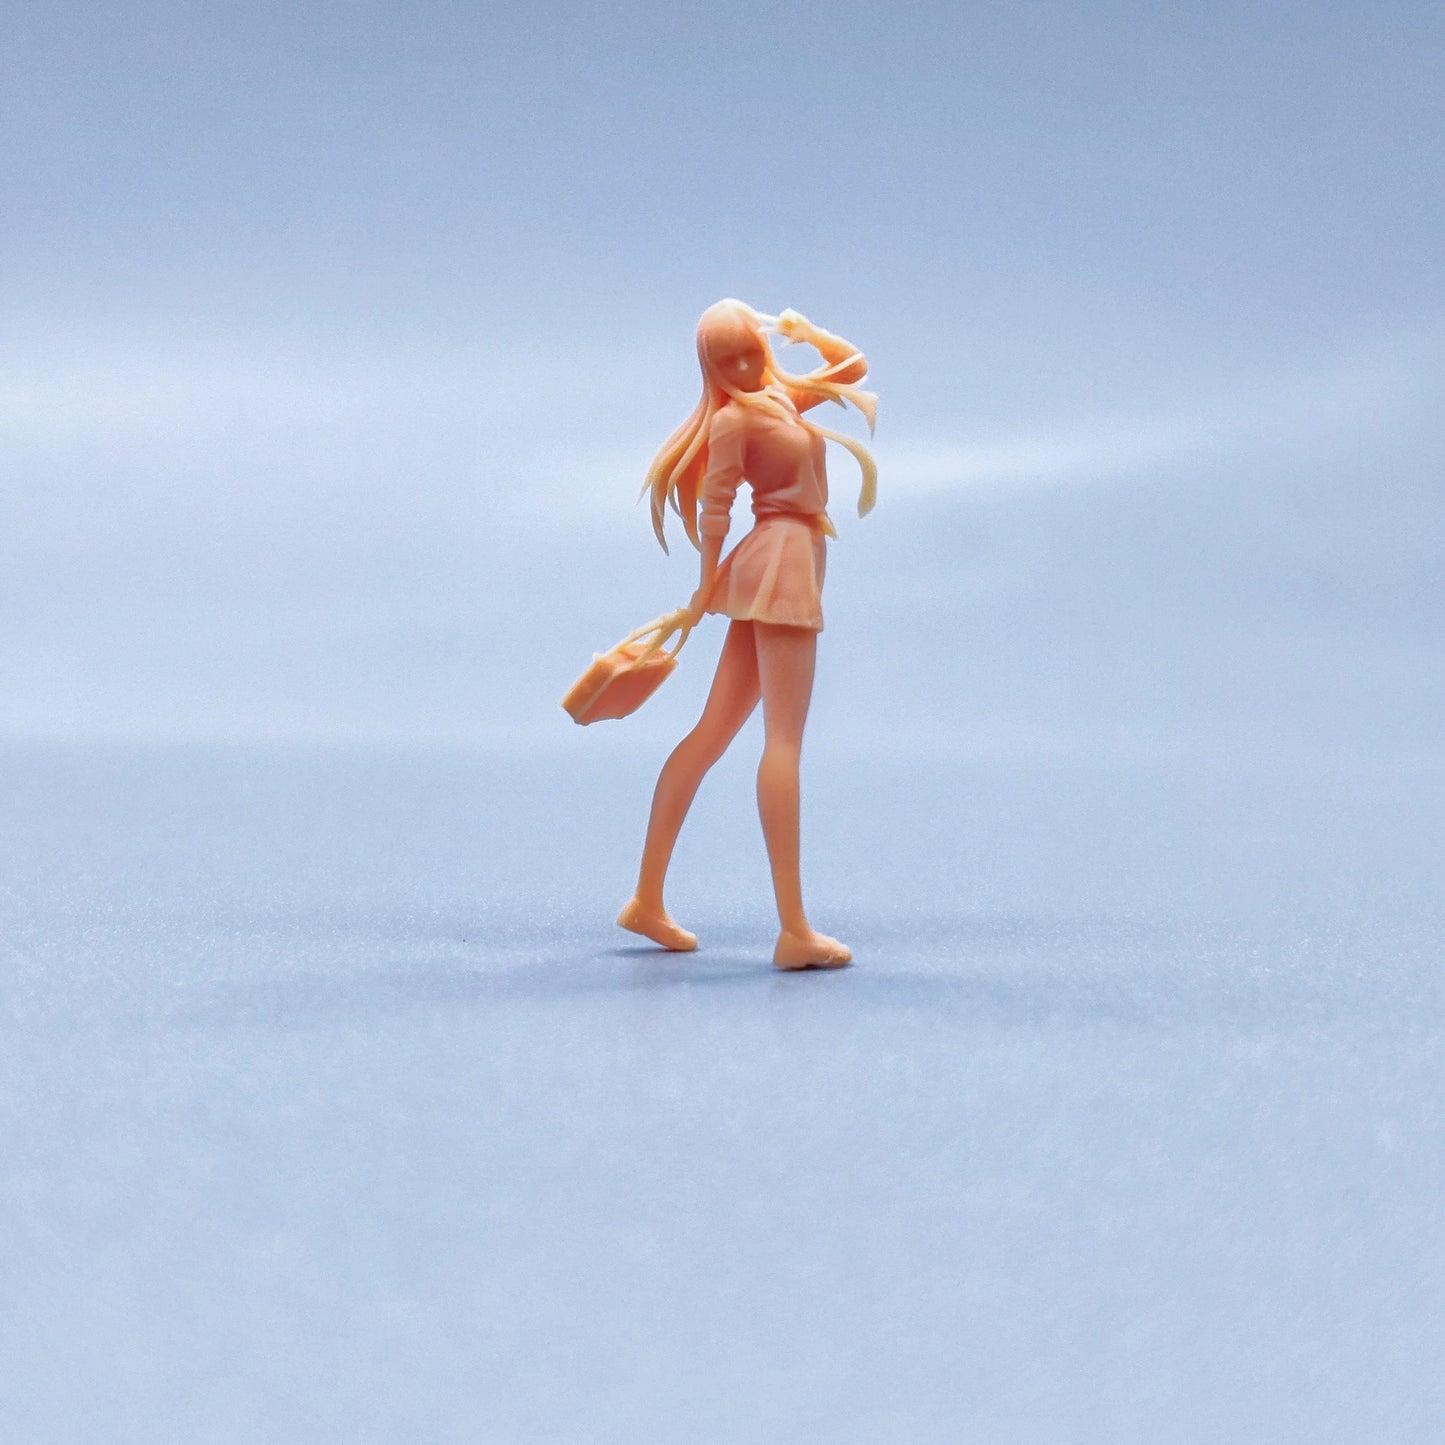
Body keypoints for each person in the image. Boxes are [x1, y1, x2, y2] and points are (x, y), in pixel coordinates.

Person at [616, 299, 877, 969]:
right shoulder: (734, 420)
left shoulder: (780, 397)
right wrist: (704, 586)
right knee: (781, 743)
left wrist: (806, 333)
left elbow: (852, 366)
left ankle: (645, 901)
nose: (739, 367)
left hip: (781, 558)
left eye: (747, 352)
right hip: (779, 564)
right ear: (709, 368)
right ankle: (794, 931)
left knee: (712, 731)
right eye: (724, 360)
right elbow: (716, 508)